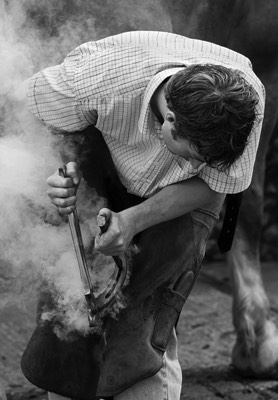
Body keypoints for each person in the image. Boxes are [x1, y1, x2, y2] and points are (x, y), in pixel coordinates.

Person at [19, 31, 265, 400]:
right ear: (168, 119)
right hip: (102, 158)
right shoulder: (90, 81)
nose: (198, 166)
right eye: (193, 157)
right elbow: (22, 115)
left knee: (145, 313)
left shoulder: (244, 104)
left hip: (184, 200)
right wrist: (54, 176)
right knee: (73, 299)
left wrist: (134, 220)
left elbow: (215, 184)